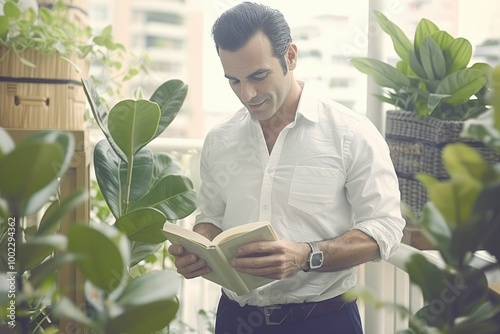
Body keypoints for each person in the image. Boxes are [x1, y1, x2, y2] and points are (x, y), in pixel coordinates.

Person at [168, 2, 405, 333]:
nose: (247, 94)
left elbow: (386, 227)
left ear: (290, 56)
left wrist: (307, 256)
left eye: (258, 76)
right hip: (235, 319)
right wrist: (198, 248)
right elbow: (210, 219)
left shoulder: (350, 132)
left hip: (325, 321)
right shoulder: (220, 140)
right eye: (233, 81)